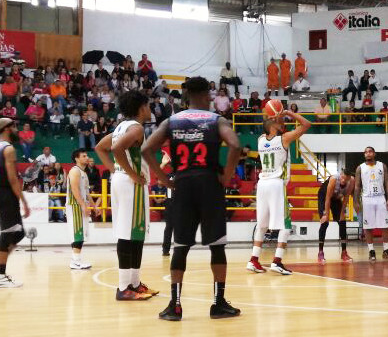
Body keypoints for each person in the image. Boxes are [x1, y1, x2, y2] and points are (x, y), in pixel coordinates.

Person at [143, 76, 242, 321]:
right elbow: (235, 145)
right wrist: (227, 176)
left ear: (186, 96)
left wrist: (164, 180)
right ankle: (218, 304)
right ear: (207, 95)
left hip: (183, 184)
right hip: (209, 184)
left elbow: (146, 149)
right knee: (217, 246)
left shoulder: (172, 121)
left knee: (180, 246)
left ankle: (175, 306)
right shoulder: (216, 120)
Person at [94, 90, 157, 301]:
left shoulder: (122, 126)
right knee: (127, 233)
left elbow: (100, 148)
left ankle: (135, 283)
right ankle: (123, 287)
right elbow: (116, 148)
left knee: (135, 233)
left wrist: (115, 170)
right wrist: (130, 173)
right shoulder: (136, 128)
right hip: (130, 183)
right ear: (141, 107)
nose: (150, 109)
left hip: (123, 181)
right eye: (148, 105)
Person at [247, 104, 311, 275]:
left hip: (262, 185)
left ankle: (253, 260)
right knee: (286, 225)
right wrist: (289, 112)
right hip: (276, 184)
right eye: (280, 121)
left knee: (262, 225)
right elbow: (307, 124)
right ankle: (277, 261)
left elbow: (268, 123)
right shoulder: (284, 139)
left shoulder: (260, 139)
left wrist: (274, 116)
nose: (283, 123)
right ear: (273, 124)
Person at [0, 118, 29, 288]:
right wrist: (24, 201)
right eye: (14, 127)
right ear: (7, 129)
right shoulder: (8, 149)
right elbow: (12, 178)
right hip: (7, 194)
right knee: (8, 233)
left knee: (19, 233)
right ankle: (0, 276)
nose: (17, 130)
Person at [353, 146, 388, 261]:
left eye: (370, 151)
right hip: (367, 198)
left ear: (374, 153)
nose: (368, 153)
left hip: (380, 197)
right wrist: (356, 201)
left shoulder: (382, 165)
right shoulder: (360, 168)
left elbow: (387, 182)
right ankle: (371, 251)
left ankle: (386, 251)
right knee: (368, 226)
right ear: (364, 155)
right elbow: (357, 186)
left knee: (386, 225)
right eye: (366, 152)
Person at [66, 148, 98, 270]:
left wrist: (94, 206)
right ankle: (75, 262)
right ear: (77, 158)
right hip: (75, 206)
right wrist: (83, 206)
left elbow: (87, 193)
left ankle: (76, 260)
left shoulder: (83, 173)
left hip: (81, 205)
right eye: (84, 156)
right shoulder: (75, 171)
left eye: (87, 155)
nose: (87, 157)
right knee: (78, 233)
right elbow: (75, 190)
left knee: (81, 234)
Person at [318, 169, 355, 263]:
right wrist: (326, 214)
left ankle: (344, 253)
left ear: (349, 178)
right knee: (325, 222)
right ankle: (320, 252)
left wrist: (342, 213)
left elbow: (346, 198)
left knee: (342, 222)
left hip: (336, 198)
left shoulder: (352, 181)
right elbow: (327, 198)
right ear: (340, 175)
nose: (343, 180)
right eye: (342, 178)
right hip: (324, 196)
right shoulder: (334, 179)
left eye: (346, 179)